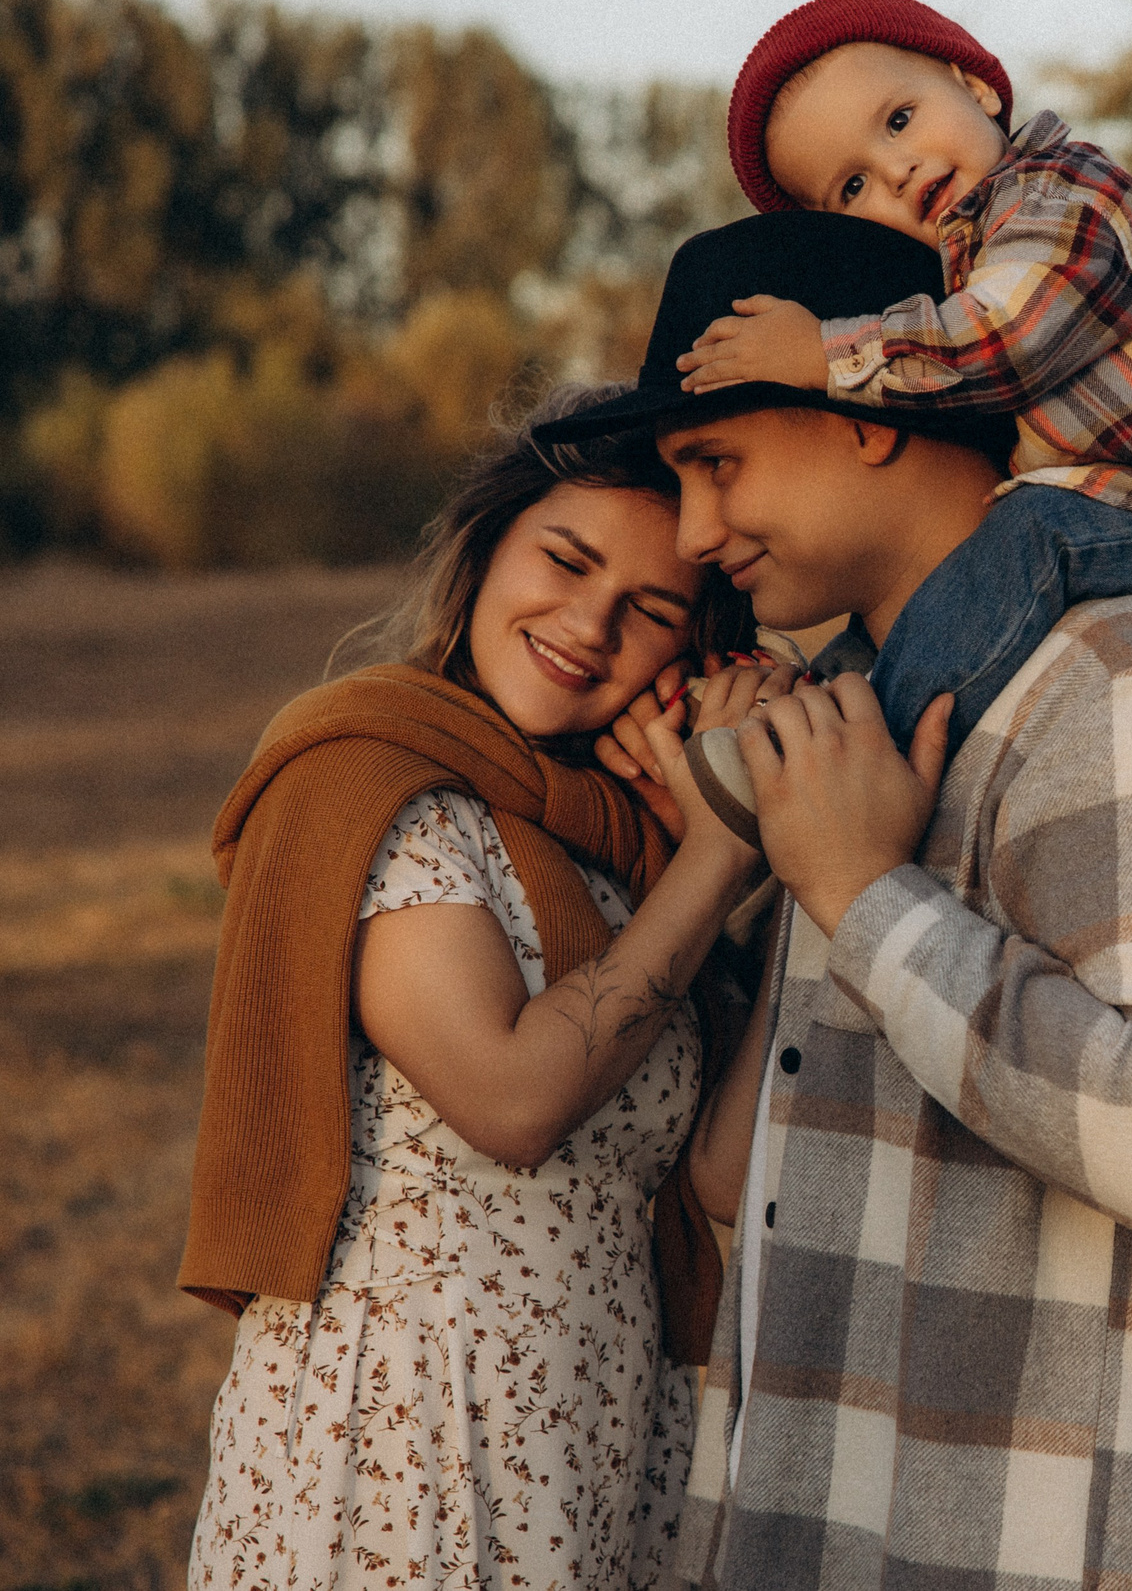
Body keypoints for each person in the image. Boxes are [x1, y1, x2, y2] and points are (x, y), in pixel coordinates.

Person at [537, 212, 1132, 1590]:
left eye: (714, 462)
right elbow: (757, 1179)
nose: (693, 530)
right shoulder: (855, 717)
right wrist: (747, 848)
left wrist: (861, 889)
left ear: (869, 409)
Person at [181, 384, 790, 1590]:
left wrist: (778, 866)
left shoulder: (625, 852)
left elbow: (720, 1172)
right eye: (563, 561)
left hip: (598, 1430)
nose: (587, 624)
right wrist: (720, 851)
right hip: (408, 1432)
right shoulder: (377, 787)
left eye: (651, 609)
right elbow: (514, 1096)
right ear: (487, 545)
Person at [652, 0, 1132, 752]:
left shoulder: (1060, 194)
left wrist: (825, 352)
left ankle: (880, 755)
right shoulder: (971, 260)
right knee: (950, 589)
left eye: (899, 120)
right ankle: (812, 718)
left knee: (1028, 531)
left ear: (973, 86)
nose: (897, 169)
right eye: (852, 188)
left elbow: (1013, 336)